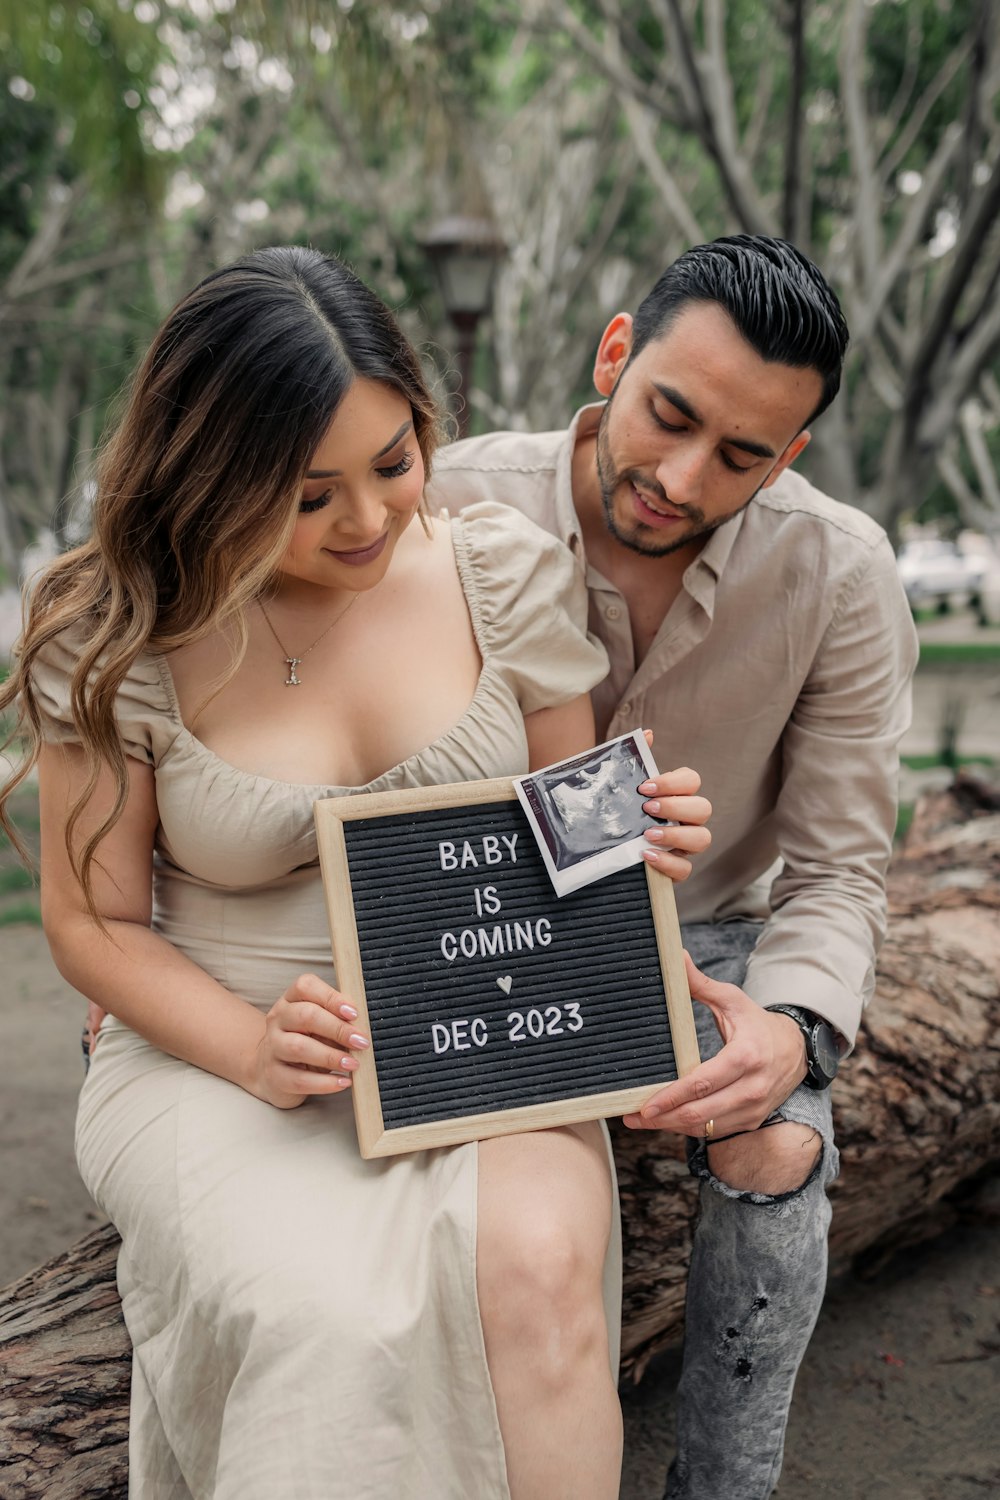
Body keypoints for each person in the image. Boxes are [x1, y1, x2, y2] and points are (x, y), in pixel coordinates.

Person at [0, 246, 713, 1500]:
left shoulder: (498, 572)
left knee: (540, 1266)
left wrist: (642, 832)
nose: (372, 519)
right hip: (222, 1047)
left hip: (489, 1027)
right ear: (212, 477)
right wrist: (247, 1041)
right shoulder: (114, 633)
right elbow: (92, 923)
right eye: (308, 494)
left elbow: (568, 831)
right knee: (315, 1312)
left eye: (394, 462)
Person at [426, 234, 919, 1499]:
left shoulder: (842, 573)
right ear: (612, 354)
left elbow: (841, 867)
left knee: (780, 1147)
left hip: (698, 942)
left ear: (790, 454)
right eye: (669, 415)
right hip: (459, 927)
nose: (683, 476)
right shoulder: (440, 497)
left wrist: (796, 1033)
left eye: (742, 456)